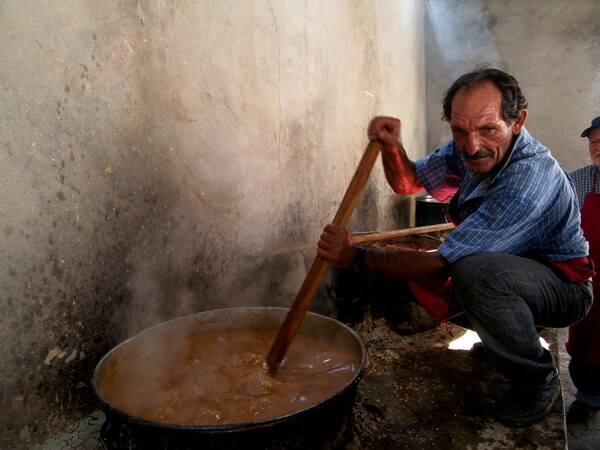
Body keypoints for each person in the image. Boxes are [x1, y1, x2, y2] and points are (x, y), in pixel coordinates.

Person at [316, 67, 594, 428]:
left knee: (475, 274)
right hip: (518, 273)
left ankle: (536, 378)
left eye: (487, 129)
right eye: (459, 130)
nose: (472, 145)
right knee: (467, 271)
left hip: (563, 288)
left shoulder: (529, 178)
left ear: (518, 121)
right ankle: (507, 343)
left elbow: (443, 263)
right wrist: (392, 147)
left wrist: (355, 257)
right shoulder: (467, 145)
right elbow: (408, 182)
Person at [565, 116, 600, 423]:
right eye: (594, 143)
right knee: (586, 338)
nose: (598, 148)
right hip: (590, 275)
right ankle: (588, 396)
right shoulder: (578, 180)